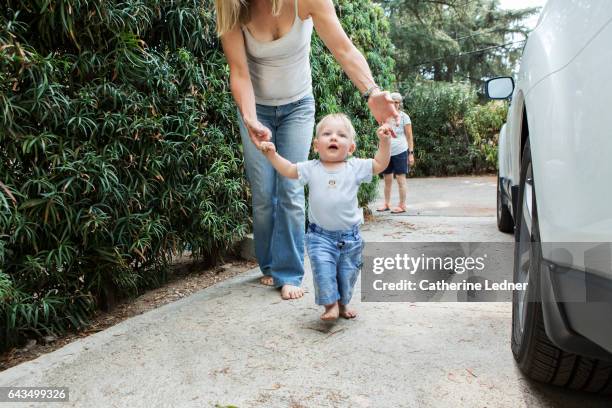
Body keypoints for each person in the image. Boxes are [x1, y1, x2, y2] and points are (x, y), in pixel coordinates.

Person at [215, 0, 399, 300]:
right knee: (263, 194)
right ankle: (269, 264)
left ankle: (288, 272)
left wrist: (373, 92)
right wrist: (249, 118)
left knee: (290, 187)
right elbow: (239, 72)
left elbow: (343, 48)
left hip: (297, 106)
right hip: (254, 109)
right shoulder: (231, 6)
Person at [259, 113, 392, 320]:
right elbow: (288, 169)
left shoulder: (355, 167)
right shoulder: (311, 168)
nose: (333, 138)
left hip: (351, 238)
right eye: (327, 134)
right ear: (316, 145)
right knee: (323, 272)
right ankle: (330, 305)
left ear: (351, 148)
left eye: (341, 135)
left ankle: (342, 303)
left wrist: (384, 142)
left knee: (347, 275)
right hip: (319, 237)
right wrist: (272, 155)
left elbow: (380, 164)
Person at [377, 92, 414, 214]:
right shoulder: (384, 116)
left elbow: (409, 136)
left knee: (400, 178)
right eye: (392, 102)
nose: (395, 104)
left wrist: (411, 153)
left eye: (397, 102)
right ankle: (386, 204)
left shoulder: (404, 117)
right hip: (387, 151)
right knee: (387, 179)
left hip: (401, 151)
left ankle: (402, 205)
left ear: (400, 104)